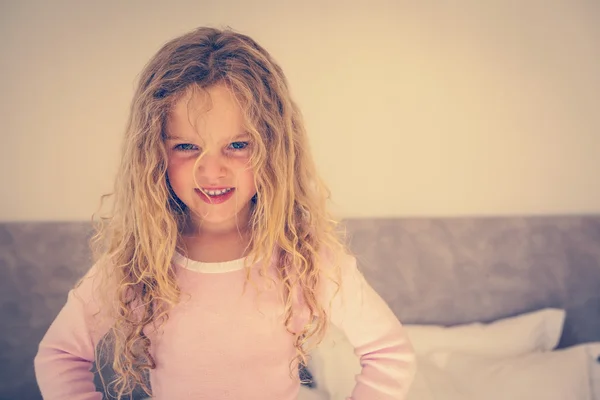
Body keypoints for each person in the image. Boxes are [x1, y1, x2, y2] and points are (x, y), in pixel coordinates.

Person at [34, 26, 416, 400]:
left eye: (236, 144)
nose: (211, 170)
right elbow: (59, 357)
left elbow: (390, 354)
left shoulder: (303, 257)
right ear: (153, 154)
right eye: (186, 146)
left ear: (273, 148)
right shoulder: (139, 262)